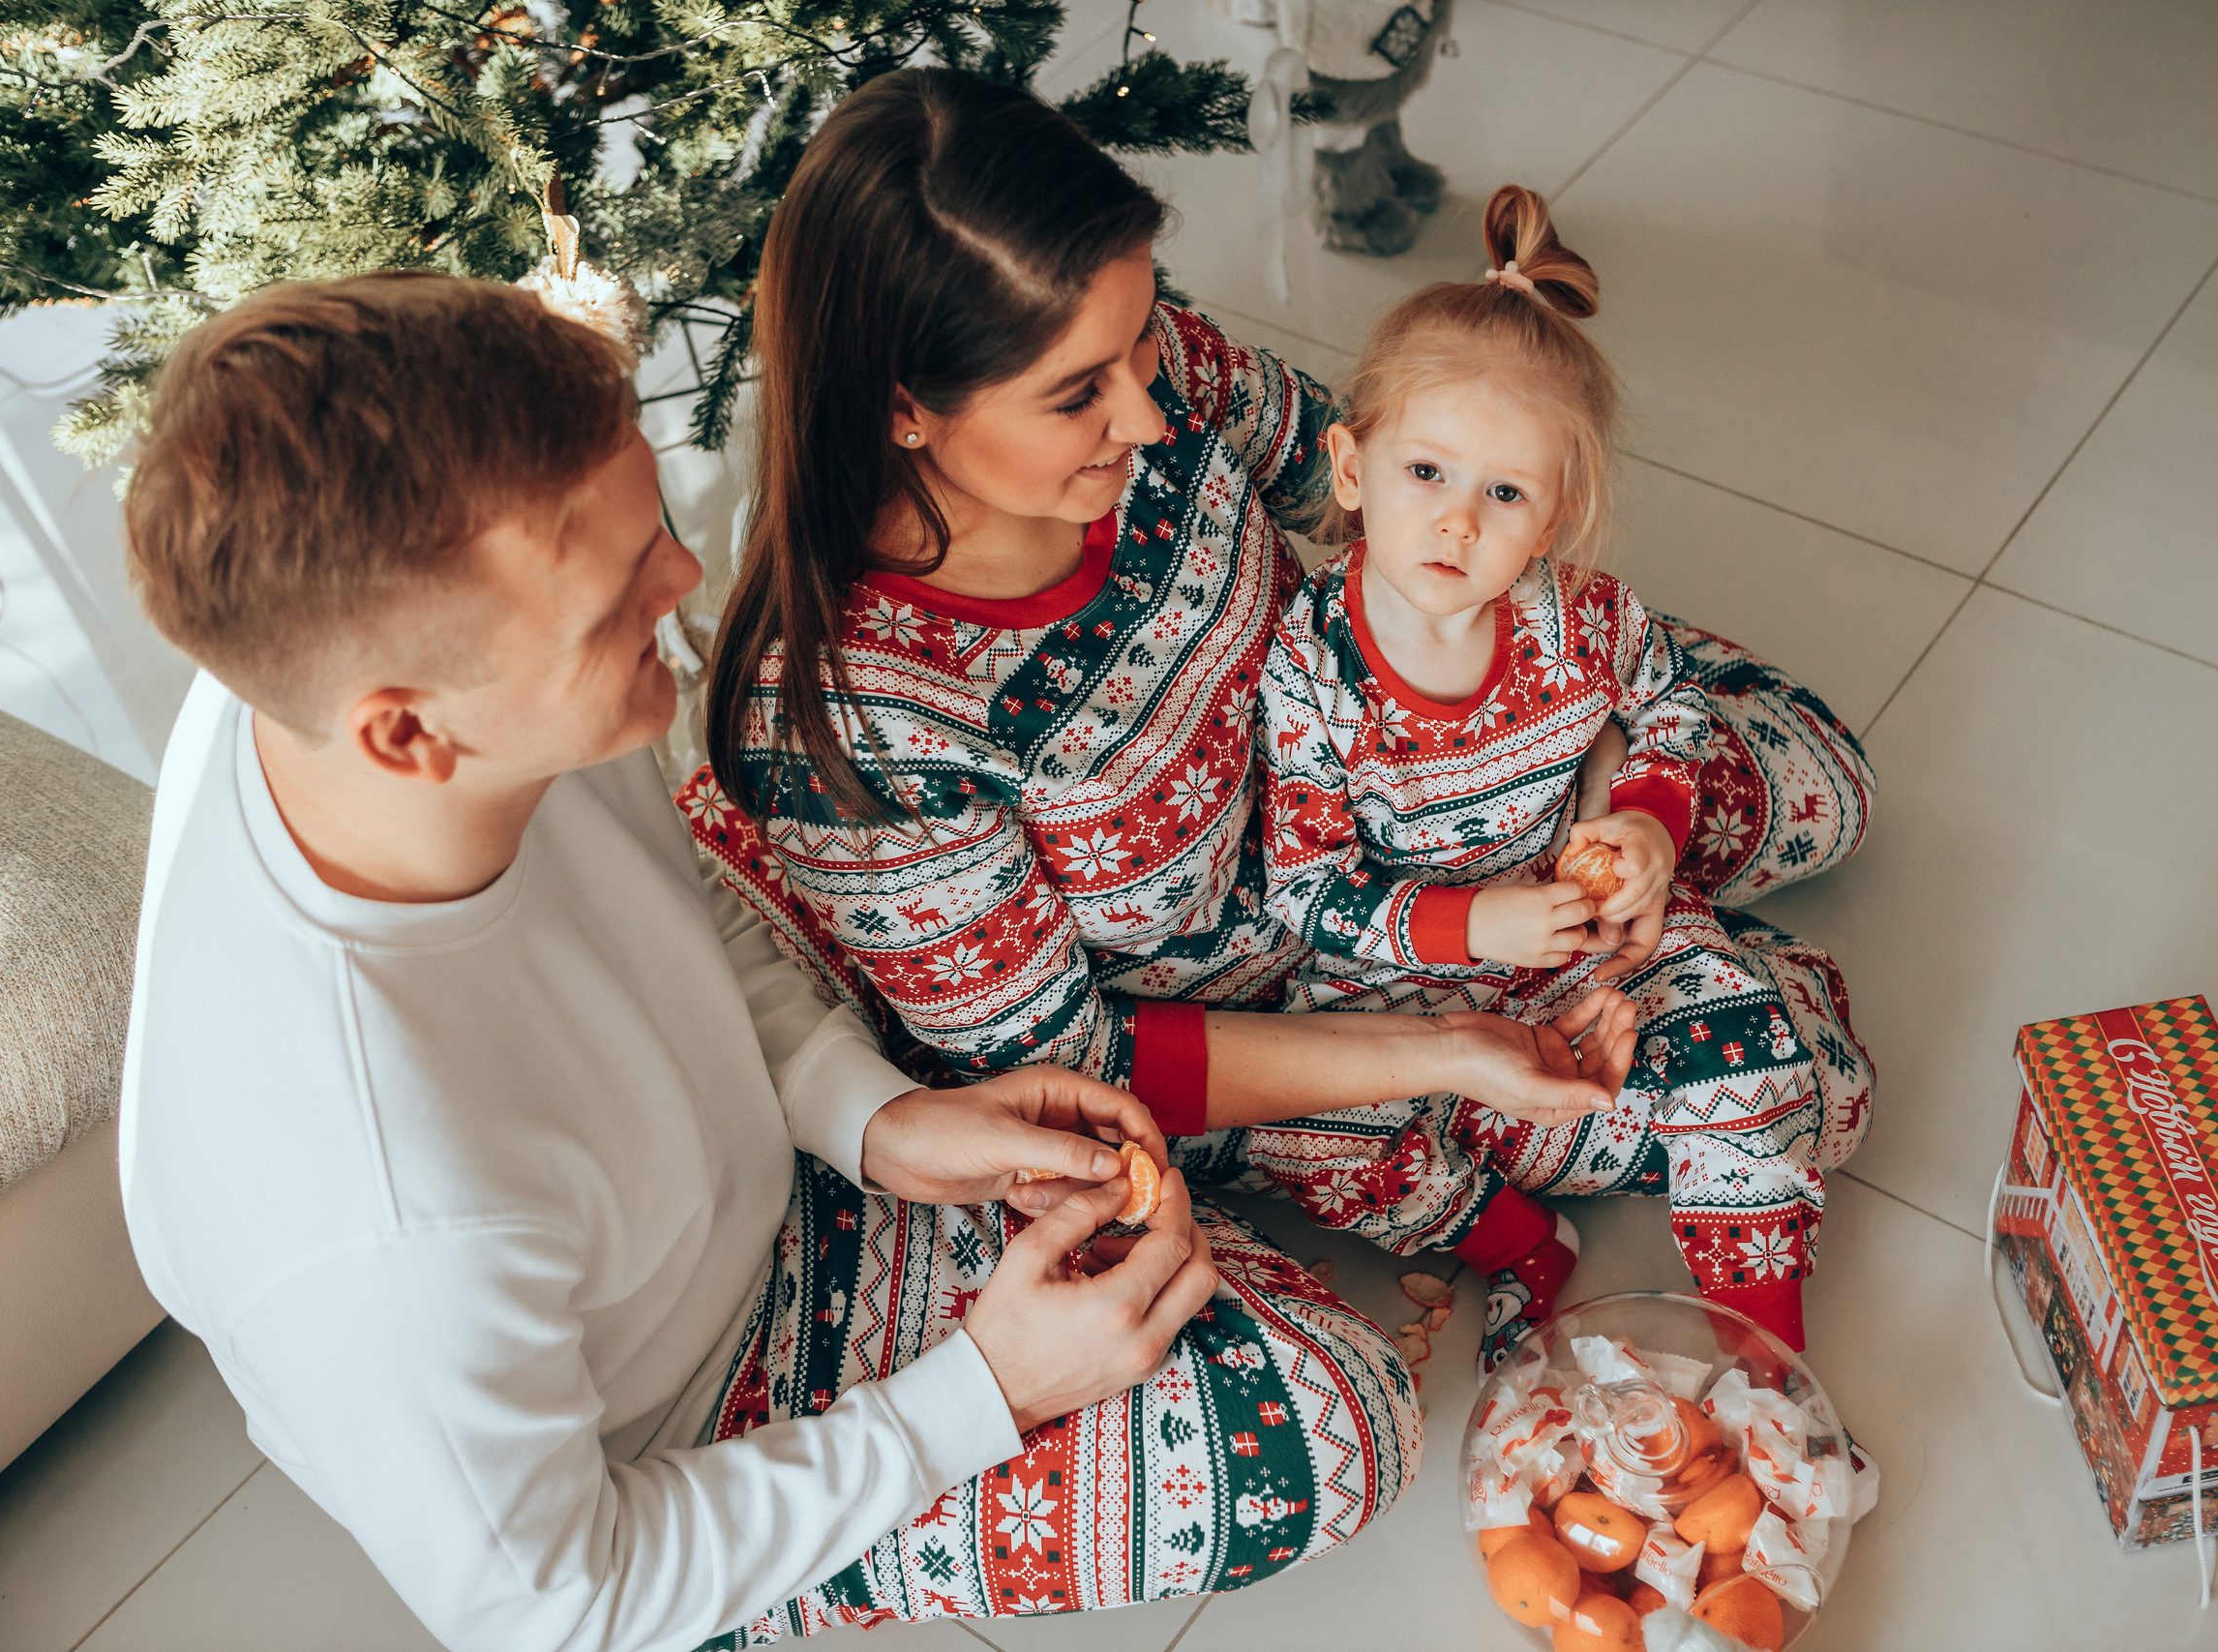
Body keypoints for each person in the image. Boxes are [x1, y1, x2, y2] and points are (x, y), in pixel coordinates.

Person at [111, 271, 1449, 1652]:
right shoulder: (381, 1219)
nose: (687, 579)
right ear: (407, 733)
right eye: (618, 590)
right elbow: (558, 1603)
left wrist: (871, 1118)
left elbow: (665, 903)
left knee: (919, 943)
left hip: (728, 1170)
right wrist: (983, 1385)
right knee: (1324, 1424)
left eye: (649, 527)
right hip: (682, 1411)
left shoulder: (382, 686)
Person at [678, 72, 1871, 1391]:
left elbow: (1367, 480)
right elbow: (1078, 1070)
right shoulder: (856, 723)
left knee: (1828, 786)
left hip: (1411, 734)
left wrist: (1607, 791)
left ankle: (1675, 911)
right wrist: (1450, 1027)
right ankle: (1692, 985)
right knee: (1741, 1083)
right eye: (1079, 394)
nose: (1147, 411)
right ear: (904, 405)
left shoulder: (1157, 369)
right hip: (1289, 996)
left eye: (1143, 338)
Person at [1253, 185, 1867, 1367]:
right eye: (1425, 472)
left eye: (1504, 494)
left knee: (1748, 1050)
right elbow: (1307, 892)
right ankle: (1524, 1243)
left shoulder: (1579, 621)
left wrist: (1644, 820)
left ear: (1555, 517)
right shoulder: (1312, 668)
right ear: (1348, 466)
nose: (1456, 524)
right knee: (1299, 1134)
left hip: (1587, 930)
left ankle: (1762, 1357)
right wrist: (1472, 923)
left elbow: (1672, 705)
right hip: (1408, 984)